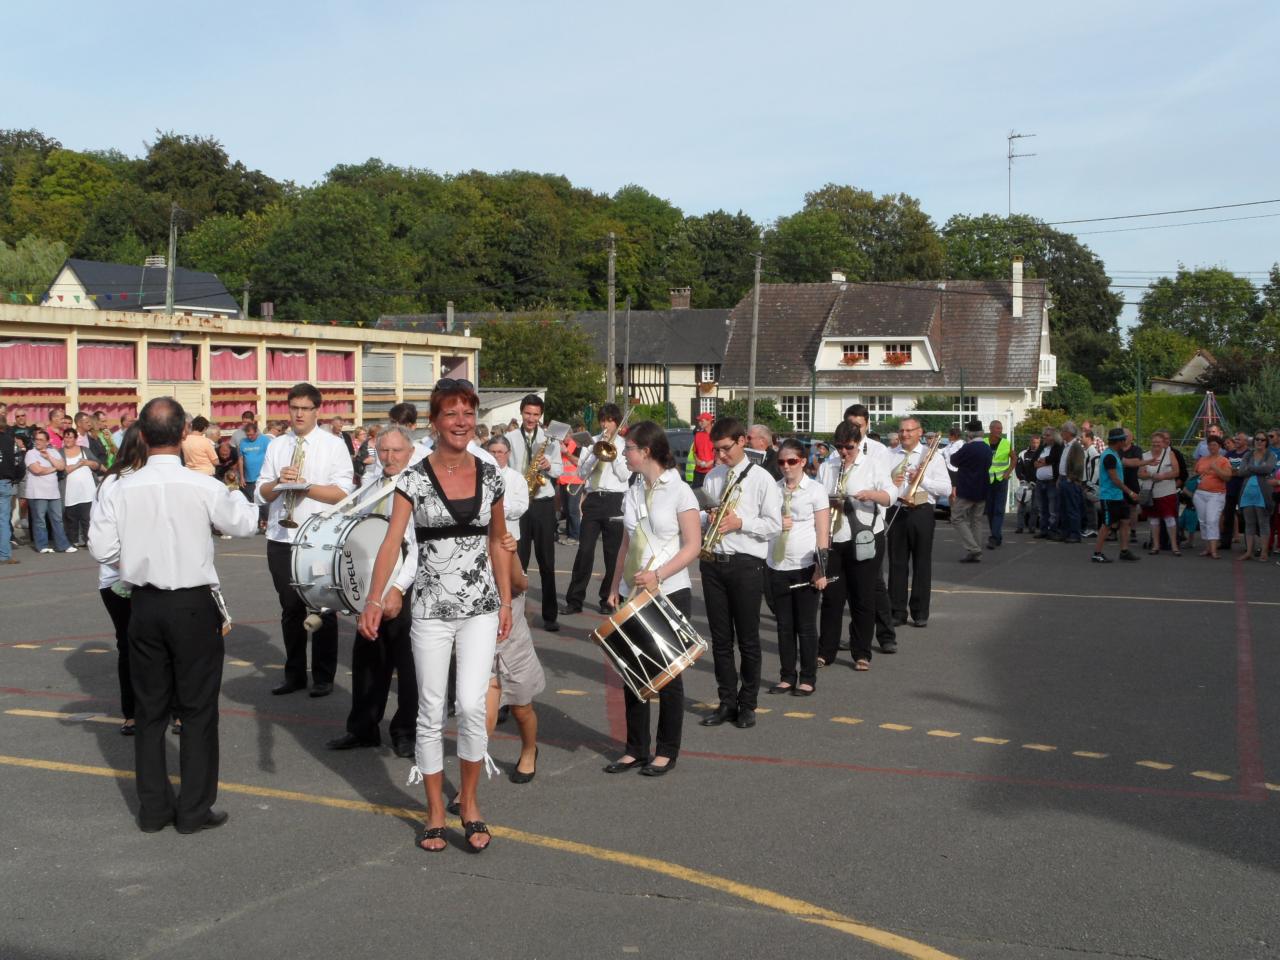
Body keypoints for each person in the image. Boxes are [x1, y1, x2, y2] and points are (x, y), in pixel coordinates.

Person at [88, 396, 258, 833]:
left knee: (149, 710)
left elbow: (102, 550)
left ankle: (154, 809)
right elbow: (242, 524)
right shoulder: (203, 485)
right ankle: (194, 809)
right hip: (193, 602)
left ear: (141, 435)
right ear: (184, 433)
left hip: (143, 601)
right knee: (198, 709)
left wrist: (138, 552)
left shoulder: (118, 486)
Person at [359, 378, 513, 854]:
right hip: (428, 608)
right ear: (435, 421)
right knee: (429, 711)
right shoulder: (413, 478)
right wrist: (373, 596)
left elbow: (499, 541)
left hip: (481, 608)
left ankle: (467, 801)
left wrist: (506, 600)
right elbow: (391, 542)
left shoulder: (491, 475)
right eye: (451, 413)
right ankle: (432, 811)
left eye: (468, 412)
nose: (462, 421)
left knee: (469, 705)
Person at [603, 420, 703, 774]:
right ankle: (635, 748)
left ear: (646, 451)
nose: (624, 454)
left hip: (669, 591)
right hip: (634, 591)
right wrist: (615, 585)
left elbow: (694, 545)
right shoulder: (633, 488)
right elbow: (627, 542)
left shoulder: (679, 491)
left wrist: (659, 576)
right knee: (633, 672)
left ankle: (667, 750)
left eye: (628, 448)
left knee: (667, 675)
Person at [256, 383, 356, 697]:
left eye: (305, 408)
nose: (299, 414)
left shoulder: (333, 444)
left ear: (317, 410)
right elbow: (261, 491)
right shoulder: (277, 445)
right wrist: (279, 483)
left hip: (318, 538)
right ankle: (295, 673)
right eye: (294, 407)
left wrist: (306, 487)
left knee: (323, 607)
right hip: (282, 537)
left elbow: (343, 492)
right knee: (290, 608)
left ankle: (324, 676)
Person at [327, 424, 420, 757]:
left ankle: (405, 731)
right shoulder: (372, 485)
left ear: (410, 453)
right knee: (367, 657)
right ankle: (363, 728)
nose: (389, 457)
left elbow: (417, 546)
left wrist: (397, 589)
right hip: (372, 584)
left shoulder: (418, 486)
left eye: (396, 451)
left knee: (407, 662)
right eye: (383, 451)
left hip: (405, 583)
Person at [698, 416, 782, 730]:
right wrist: (710, 520)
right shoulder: (714, 477)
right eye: (717, 449)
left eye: (725, 449)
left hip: (746, 564)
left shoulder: (762, 479)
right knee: (720, 640)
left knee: (747, 640)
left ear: (742, 441)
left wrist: (740, 523)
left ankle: (747, 704)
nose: (721, 456)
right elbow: (705, 518)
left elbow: (773, 526)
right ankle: (726, 702)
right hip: (713, 562)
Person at [481, 433, 539, 781]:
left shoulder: (503, 537)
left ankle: (529, 748)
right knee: (483, 710)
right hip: (477, 624)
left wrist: (508, 553)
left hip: (509, 620)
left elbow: (521, 585)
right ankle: (468, 786)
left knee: (520, 706)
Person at [821, 421, 897, 670]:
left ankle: (862, 652)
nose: (844, 452)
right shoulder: (828, 466)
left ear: (858, 444)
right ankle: (826, 651)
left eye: (849, 447)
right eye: (839, 447)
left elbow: (890, 495)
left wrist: (869, 494)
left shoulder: (872, 465)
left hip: (864, 536)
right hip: (834, 537)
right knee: (832, 598)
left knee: (862, 597)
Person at [93, 425, 147, 735]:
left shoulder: (150, 479)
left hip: (148, 576)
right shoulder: (113, 483)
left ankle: (173, 708)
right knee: (129, 644)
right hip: (119, 579)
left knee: (160, 645)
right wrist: (130, 568)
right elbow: (102, 543)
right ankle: (133, 712)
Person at [765, 438, 829, 693]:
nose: (786, 467)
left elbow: (823, 532)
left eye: (791, 461)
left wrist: (820, 568)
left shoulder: (815, 490)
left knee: (805, 625)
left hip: (804, 564)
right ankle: (787, 675)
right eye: (781, 462)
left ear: (802, 461)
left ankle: (808, 678)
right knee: (784, 625)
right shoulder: (773, 489)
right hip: (777, 564)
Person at [563, 403, 631, 616]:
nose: (605, 424)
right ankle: (574, 600)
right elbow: (582, 474)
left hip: (615, 500)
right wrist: (594, 453)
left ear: (616, 422)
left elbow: (624, 475)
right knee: (584, 551)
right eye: (602, 420)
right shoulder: (591, 442)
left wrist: (612, 455)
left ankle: (607, 599)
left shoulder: (624, 445)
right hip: (593, 499)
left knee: (612, 554)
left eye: (609, 420)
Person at [505, 394, 564, 632]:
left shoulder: (550, 440)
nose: (531, 418)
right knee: (518, 563)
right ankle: (514, 614)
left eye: (535, 415)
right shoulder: (509, 438)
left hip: (542, 503)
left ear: (541, 416)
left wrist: (550, 466)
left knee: (546, 562)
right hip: (519, 505)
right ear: (521, 413)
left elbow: (559, 470)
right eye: (528, 413)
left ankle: (550, 616)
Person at [886, 417, 950, 629]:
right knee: (896, 563)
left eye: (909, 431)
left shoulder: (932, 456)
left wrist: (922, 480)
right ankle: (897, 611)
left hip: (921, 509)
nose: (904, 435)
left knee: (921, 563)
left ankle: (920, 612)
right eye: (902, 431)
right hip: (897, 510)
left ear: (919, 432)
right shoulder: (890, 455)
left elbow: (946, 489)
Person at [1092, 428, 1142, 563]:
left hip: (1118, 496)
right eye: (1123, 440)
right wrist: (1130, 492)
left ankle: (1124, 551)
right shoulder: (1109, 456)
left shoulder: (1115, 453)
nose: (1125, 442)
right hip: (1109, 496)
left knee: (1125, 521)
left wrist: (1147, 462)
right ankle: (1097, 553)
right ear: (1118, 441)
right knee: (1107, 525)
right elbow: (1114, 479)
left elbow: (1131, 463)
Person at [948, 420, 993, 562]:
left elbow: (954, 460)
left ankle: (973, 548)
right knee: (976, 520)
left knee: (956, 517)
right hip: (983, 487)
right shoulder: (986, 448)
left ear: (970, 434)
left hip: (967, 488)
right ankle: (975, 551)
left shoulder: (968, 448)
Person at [24, 429, 74, 554]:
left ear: (47, 442)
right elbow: (37, 470)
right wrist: (53, 468)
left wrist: (49, 457)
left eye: (41, 440)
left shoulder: (53, 452)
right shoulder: (31, 453)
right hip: (37, 493)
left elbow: (62, 466)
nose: (38, 442)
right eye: (36, 439)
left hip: (53, 492)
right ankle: (42, 545)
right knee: (40, 520)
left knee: (57, 519)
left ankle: (63, 545)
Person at [1139, 430, 1182, 556]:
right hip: (1151, 492)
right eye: (1154, 442)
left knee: (1170, 518)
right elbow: (1140, 473)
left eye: (1158, 442)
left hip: (1167, 491)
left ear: (1164, 443)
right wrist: (1152, 474)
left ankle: (1174, 546)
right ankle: (1155, 545)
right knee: (1154, 519)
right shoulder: (1145, 455)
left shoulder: (1170, 454)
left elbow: (1176, 472)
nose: (1156, 445)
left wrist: (1163, 476)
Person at [1235, 432, 1276, 561]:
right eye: (1257, 439)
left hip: (1262, 494)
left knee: (1263, 523)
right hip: (1247, 493)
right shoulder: (1248, 454)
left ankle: (1264, 552)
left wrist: (1250, 468)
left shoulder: (1270, 455)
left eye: (1262, 440)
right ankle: (1249, 552)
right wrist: (1258, 468)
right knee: (1249, 524)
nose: (1259, 441)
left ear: (1266, 442)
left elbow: (1268, 469)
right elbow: (1241, 472)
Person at [1192, 436, 1232, 559]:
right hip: (1200, 493)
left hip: (1216, 494)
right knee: (1203, 521)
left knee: (1212, 520)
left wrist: (1216, 469)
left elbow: (1227, 477)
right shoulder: (1202, 459)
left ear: (1219, 446)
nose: (1211, 447)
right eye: (1210, 445)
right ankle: (1207, 548)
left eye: (1214, 445)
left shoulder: (1224, 460)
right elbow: (1195, 473)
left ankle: (1214, 550)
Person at [60, 426, 100, 547]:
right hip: (70, 491)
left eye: (70, 437)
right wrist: (78, 465)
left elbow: (96, 464)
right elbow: (63, 470)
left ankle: (89, 540)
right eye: (66, 437)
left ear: (75, 439)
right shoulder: (60, 453)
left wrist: (88, 463)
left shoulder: (85, 450)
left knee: (87, 517)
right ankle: (73, 540)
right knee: (71, 517)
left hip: (87, 490)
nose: (67, 439)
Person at [236, 420, 271, 532]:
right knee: (253, 502)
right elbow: (241, 460)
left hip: (262, 477)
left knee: (264, 502)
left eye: (252, 434)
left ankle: (268, 523)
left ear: (257, 432)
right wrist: (242, 476)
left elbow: (270, 457)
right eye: (248, 435)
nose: (250, 437)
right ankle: (257, 524)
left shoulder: (265, 440)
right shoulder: (243, 442)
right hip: (249, 477)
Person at [983, 420, 1013, 549]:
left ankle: (994, 538)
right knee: (990, 510)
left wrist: (1008, 471)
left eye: (1001, 428)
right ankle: (997, 536)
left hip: (1001, 480)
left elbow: (1014, 458)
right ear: (991, 429)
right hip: (988, 480)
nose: (1000, 431)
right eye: (997, 428)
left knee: (998, 510)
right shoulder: (984, 443)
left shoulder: (1006, 443)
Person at [0, 405, 23, 564]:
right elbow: (19, 463)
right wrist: (15, 478)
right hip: (5, 482)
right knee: (3, 520)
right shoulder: (12, 441)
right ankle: (5, 554)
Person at [1056, 421, 1085, 544]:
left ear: (1068, 433)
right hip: (1063, 479)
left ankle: (1074, 534)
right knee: (1063, 508)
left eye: (1063, 431)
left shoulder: (1076, 447)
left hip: (1070, 481)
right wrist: (1059, 478)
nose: (1061, 433)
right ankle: (1065, 532)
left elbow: (1078, 465)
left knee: (1072, 508)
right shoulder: (1066, 446)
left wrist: (1071, 478)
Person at [1033, 427, 1063, 539]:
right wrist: (1044, 462)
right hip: (1040, 482)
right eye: (1044, 435)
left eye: (1047, 435)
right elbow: (1034, 461)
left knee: (1053, 509)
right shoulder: (1042, 447)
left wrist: (1043, 461)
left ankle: (1053, 530)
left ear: (1054, 436)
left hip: (1052, 482)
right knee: (1042, 508)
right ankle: (1043, 530)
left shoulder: (1058, 447)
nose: (1044, 437)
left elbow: (1055, 458)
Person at [1013, 434, 1041, 534]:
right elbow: (1018, 468)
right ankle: (1020, 527)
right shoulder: (1023, 453)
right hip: (1025, 484)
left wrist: (1036, 481)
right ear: (1030, 442)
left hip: (1037, 484)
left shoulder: (1042, 454)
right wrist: (1022, 480)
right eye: (1033, 442)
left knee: (1035, 507)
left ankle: (1032, 527)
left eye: (1037, 443)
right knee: (1022, 506)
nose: (1035, 445)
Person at [685, 411, 715, 489]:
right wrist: (698, 461)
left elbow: (719, 453)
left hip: (712, 472)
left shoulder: (716, 435)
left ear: (709, 421)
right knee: (697, 496)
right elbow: (695, 452)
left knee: (710, 498)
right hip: (698, 473)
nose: (699, 423)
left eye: (702, 421)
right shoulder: (698, 435)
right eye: (699, 421)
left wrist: (710, 463)